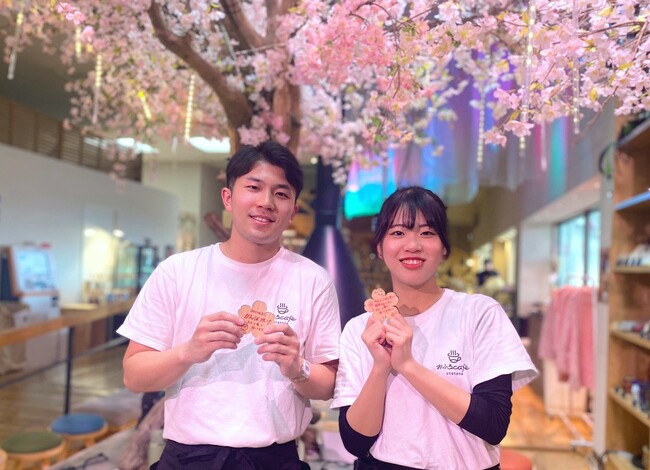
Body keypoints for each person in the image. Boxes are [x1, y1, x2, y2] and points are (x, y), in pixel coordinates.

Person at [117, 141, 341, 469]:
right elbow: (134, 377)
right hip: (188, 458)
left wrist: (298, 368)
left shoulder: (313, 280)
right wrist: (188, 351)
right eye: (253, 187)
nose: (266, 202)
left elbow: (329, 385)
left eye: (281, 193)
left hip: (274, 459)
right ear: (228, 198)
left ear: (293, 211)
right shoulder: (177, 272)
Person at [331, 186, 537, 469]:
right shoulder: (360, 330)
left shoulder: (479, 313)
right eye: (398, 232)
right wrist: (380, 368)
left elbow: (493, 424)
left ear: (444, 248)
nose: (413, 245)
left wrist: (408, 366)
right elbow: (355, 442)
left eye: (427, 233)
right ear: (379, 247)